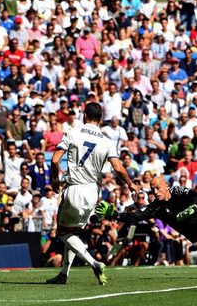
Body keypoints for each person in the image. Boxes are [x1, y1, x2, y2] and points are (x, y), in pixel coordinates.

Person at [46, 102, 138, 285]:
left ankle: (95, 263)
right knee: (74, 233)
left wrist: (55, 180)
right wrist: (131, 184)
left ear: (84, 115)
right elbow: (118, 167)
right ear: (100, 119)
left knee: (63, 232)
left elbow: (55, 160)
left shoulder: (74, 131)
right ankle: (64, 273)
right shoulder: (106, 140)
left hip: (75, 188)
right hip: (92, 193)